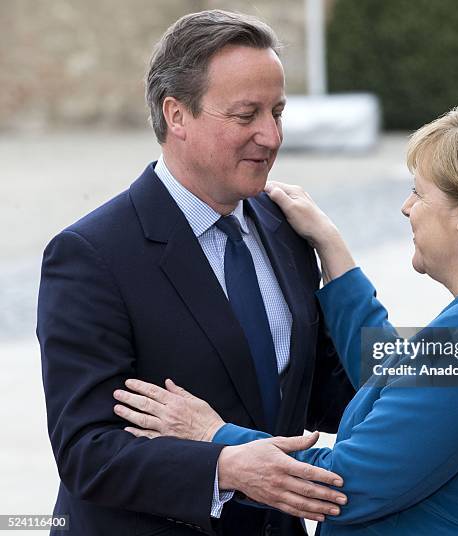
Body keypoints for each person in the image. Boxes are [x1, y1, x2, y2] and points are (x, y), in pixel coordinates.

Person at [114, 105, 458, 535]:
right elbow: (401, 382)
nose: (406, 208)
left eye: (418, 193)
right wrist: (331, 247)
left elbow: (346, 485)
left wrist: (213, 436)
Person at [37, 10, 354, 536]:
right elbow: (86, 451)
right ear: (176, 115)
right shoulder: (91, 255)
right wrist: (227, 466)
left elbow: (323, 388)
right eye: (245, 115)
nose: (271, 136)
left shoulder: (288, 229)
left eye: (277, 111)